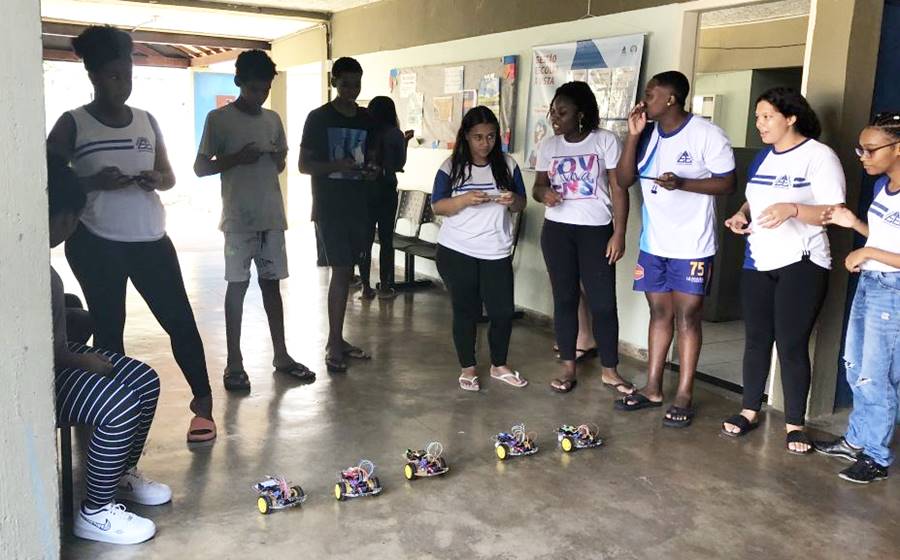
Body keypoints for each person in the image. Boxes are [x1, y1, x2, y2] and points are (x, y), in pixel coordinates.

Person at [46, 26, 216, 442]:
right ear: (93, 76)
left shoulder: (146, 120)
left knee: (180, 320)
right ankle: (110, 414)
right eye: (113, 76)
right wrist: (94, 182)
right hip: (95, 242)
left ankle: (204, 406)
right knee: (109, 328)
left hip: (151, 239)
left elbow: (169, 176)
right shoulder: (73, 124)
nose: (123, 84)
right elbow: (48, 179)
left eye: (128, 76)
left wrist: (156, 179)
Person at [48, 157, 170, 545]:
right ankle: (95, 511)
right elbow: (40, 355)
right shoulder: (27, 271)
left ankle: (118, 474)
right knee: (117, 404)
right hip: (41, 373)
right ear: (60, 217)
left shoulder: (43, 268)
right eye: (73, 219)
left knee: (144, 380)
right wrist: (82, 360)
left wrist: (75, 332)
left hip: (57, 355)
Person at [719, 88, 845, 453]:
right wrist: (741, 214)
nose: (760, 124)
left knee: (790, 343)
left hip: (802, 261)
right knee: (757, 339)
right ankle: (749, 410)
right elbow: (755, 198)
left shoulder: (819, 156)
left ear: (791, 118)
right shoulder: (763, 156)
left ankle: (794, 424)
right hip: (758, 258)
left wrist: (793, 209)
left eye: (767, 117)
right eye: (757, 117)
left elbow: (835, 212)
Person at [615, 71, 736, 427]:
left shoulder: (706, 134)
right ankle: (653, 387)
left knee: (688, 316)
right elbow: (623, 179)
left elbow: (728, 183)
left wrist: (683, 183)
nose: (644, 100)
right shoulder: (647, 134)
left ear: (671, 99)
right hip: (654, 243)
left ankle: (684, 392)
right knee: (659, 313)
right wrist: (632, 136)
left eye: (651, 94)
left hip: (692, 244)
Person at [194, 50, 315, 391]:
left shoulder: (272, 120)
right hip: (238, 220)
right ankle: (234, 362)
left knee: (272, 285)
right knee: (237, 286)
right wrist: (236, 158)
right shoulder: (218, 119)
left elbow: (279, 165)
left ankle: (281, 355)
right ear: (238, 82)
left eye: (264, 90)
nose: (259, 96)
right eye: (253, 89)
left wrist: (278, 157)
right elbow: (200, 167)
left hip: (271, 216)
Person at [532, 81, 632, 394]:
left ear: (581, 114)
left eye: (562, 112)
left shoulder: (604, 140)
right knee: (564, 299)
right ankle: (568, 368)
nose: (554, 118)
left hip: (596, 231)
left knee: (603, 303)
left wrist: (619, 232)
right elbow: (537, 187)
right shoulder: (549, 146)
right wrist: (544, 194)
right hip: (557, 231)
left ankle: (610, 371)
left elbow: (619, 188)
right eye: (553, 111)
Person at [817, 112, 900, 483]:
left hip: (893, 291)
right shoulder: (884, 185)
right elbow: (885, 238)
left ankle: (877, 458)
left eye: (871, 150)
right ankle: (857, 440)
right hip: (871, 283)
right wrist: (854, 224)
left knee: (877, 376)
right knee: (855, 366)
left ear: (898, 148)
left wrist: (867, 253)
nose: (863, 157)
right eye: (860, 149)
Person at [433, 106, 528, 391]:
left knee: (502, 312)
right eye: (478, 137)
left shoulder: (508, 165)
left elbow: (521, 203)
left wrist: (512, 200)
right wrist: (463, 200)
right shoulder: (451, 167)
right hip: (456, 249)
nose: (485, 143)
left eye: (490, 136)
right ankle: (468, 368)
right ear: (466, 136)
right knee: (466, 311)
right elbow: (438, 206)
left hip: (495, 250)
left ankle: (499, 365)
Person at [299, 56, 376, 373]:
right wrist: (336, 166)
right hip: (330, 207)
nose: (351, 91)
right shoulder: (318, 118)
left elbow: (371, 158)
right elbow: (304, 165)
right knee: (341, 270)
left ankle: (338, 340)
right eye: (345, 84)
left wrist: (371, 170)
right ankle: (333, 342)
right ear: (333, 82)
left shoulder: (366, 118)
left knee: (347, 271)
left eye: (356, 85)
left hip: (359, 205)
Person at [357, 96, 413, 300]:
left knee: (365, 240)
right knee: (386, 240)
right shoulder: (395, 134)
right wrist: (405, 143)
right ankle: (385, 287)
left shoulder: (364, 132)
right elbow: (399, 163)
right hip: (387, 190)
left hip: (365, 190)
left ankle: (365, 286)